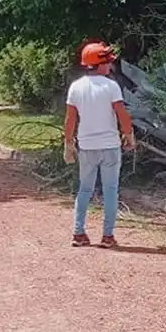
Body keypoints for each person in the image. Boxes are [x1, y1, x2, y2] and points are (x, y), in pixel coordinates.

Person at [63, 41, 137, 248]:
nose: (110, 66)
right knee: (110, 190)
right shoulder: (111, 86)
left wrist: (68, 142)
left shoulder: (76, 87)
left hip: (86, 146)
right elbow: (122, 114)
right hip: (110, 147)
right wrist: (128, 136)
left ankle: (78, 233)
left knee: (84, 189)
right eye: (107, 62)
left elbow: (70, 119)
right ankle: (107, 236)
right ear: (99, 65)